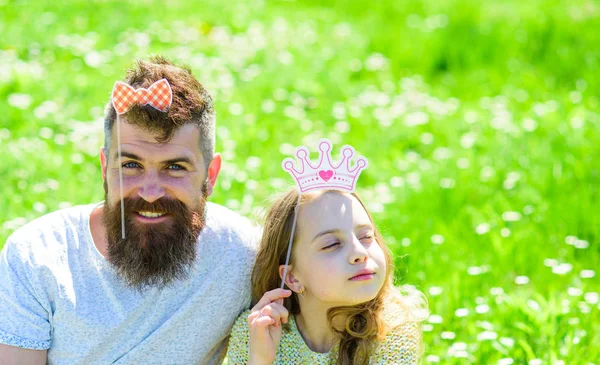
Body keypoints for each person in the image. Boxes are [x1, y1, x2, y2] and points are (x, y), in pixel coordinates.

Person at [0, 56, 259, 364]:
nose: (150, 192)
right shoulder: (36, 257)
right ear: (104, 168)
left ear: (210, 176)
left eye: (175, 167)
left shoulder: (243, 256)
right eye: (130, 165)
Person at [226, 188, 429, 364]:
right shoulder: (255, 332)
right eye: (332, 244)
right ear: (293, 278)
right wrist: (260, 360)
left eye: (366, 236)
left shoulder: (392, 331)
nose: (360, 253)